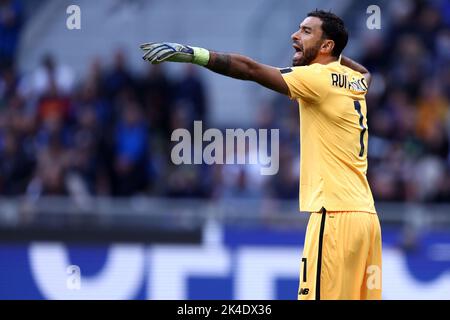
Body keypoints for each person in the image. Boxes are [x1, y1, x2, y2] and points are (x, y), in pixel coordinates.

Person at [140, 9, 382, 300]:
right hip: (366, 219)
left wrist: (196, 55)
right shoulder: (357, 82)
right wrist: (336, 54)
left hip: (334, 216)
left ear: (326, 45)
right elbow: (365, 72)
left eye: (306, 32)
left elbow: (251, 70)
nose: (295, 35)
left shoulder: (317, 78)